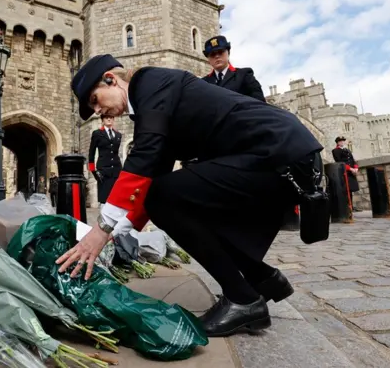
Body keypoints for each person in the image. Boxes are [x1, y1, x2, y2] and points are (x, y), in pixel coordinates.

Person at [57, 54, 324, 337]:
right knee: (174, 198)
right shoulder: (151, 101)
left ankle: (244, 300)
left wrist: (102, 229)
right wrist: (116, 232)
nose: (98, 110)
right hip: (274, 157)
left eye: (95, 100)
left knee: (168, 198)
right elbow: (154, 172)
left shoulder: (150, 83)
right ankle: (263, 278)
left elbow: (146, 156)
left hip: (280, 156)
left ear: (110, 79)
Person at [202, 35, 266, 102]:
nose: (217, 56)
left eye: (220, 52)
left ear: (228, 52)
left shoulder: (244, 75)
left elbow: (259, 103)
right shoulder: (203, 83)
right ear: (208, 58)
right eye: (212, 54)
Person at [88, 115, 122, 206]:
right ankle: (104, 219)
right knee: (104, 199)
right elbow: (91, 153)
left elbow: (115, 153)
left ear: (113, 119)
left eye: (111, 117)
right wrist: (94, 171)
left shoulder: (118, 135)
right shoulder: (97, 133)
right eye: (106, 117)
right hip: (103, 170)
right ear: (102, 120)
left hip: (116, 170)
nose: (109, 119)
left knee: (116, 198)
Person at [332, 136, 360, 210]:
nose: (342, 142)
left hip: (351, 172)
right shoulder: (335, 151)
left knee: (350, 189)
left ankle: (351, 205)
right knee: (345, 189)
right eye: (340, 141)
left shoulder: (347, 150)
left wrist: (356, 168)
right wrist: (350, 169)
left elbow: (353, 160)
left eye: (343, 141)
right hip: (344, 172)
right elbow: (340, 162)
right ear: (337, 142)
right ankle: (347, 206)